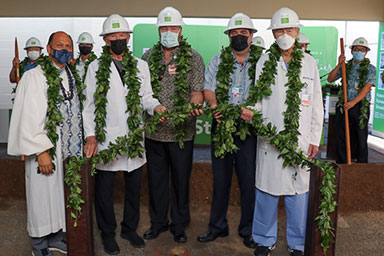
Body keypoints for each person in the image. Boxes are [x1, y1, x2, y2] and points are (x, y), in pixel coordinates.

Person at [82, 14, 165, 255]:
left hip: (134, 138)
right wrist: (91, 136)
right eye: (113, 36)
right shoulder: (95, 68)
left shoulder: (141, 66)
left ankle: (129, 229)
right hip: (107, 138)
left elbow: (147, 98)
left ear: (128, 38)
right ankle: (108, 233)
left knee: (133, 188)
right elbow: (88, 105)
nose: (118, 39)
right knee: (104, 191)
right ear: (106, 40)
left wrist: (157, 106)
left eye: (122, 35)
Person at [251, 8, 324, 256]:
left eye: (289, 29)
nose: (285, 34)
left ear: (298, 31)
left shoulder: (309, 62)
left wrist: (315, 138)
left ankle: (298, 244)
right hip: (270, 140)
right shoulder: (263, 62)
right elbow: (258, 99)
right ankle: (263, 240)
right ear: (273, 33)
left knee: (298, 195)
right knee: (266, 193)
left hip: (300, 140)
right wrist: (250, 111)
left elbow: (316, 103)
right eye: (279, 30)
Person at [8, 31, 82, 256]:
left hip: (67, 149)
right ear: (48, 49)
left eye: (68, 46)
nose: (64, 49)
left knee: (58, 195)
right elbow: (29, 116)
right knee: (42, 196)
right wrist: (41, 151)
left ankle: (55, 238)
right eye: (59, 45)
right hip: (45, 148)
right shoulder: (34, 76)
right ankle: (39, 245)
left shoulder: (70, 74)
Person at [141, 6, 205, 244]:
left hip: (181, 132)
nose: (168, 32)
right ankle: (158, 223)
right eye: (164, 28)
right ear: (158, 31)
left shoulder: (194, 57)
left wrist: (188, 109)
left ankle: (179, 225)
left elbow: (197, 93)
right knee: (156, 180)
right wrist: (156, 110)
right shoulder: (147, 58)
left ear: (180, 30)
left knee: (180, 179)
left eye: (173, 28)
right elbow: (144, 92)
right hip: (154, 131)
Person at [197, 12, 259, 249]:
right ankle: (217, 227)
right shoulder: (217, 60)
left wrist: (252, 109)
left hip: (248, 129)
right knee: (220, 180)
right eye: (234, 33)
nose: (239, 37)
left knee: (248, 181)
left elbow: (266, 92)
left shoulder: (261, 62)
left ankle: (248, 229)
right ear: (228, 37)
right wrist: (213, 106)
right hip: (222, 126)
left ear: (251, 36)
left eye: (243, 33)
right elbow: (208, 88)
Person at [327, 37, 376, 164]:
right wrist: (339, 64)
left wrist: (353, 103)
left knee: (360, 136)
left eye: (362, 50)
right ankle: (343, 163)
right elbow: (330, 79)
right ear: (351, 51)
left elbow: (366, 88)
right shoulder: (345, 67)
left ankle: (361, 165)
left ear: (366, 52)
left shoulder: (371, 68)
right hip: (343, 105)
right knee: (341, 136)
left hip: (360, 106)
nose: (359, 52)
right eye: (356, 49)